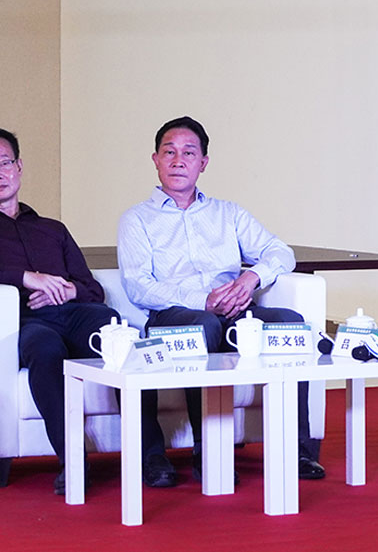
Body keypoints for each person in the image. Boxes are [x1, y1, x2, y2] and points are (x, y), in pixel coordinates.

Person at [0, 127, 176, 492]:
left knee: (118, 333)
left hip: (73, 314)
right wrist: (26, 278)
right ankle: (73, 461)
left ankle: (152, 456)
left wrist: (65, 290)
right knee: (45, 348)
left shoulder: (53, 229)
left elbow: (91, 288)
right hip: (25, 320)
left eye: (4, 163)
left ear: (19, 166)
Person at [118, 116, 326, 482]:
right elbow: (139, 286)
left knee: (290, 322)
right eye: (169, 152)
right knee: (205, 324)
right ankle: (208, 452)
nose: (178, 161)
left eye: (188, 153)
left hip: (236, 313)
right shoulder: (136, 219)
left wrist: (250, 278)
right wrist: (203, 301)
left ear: (203, 163)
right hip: (175, 317)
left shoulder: (228, 213)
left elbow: (280, 252)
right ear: (155, 160)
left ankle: (296, 450)